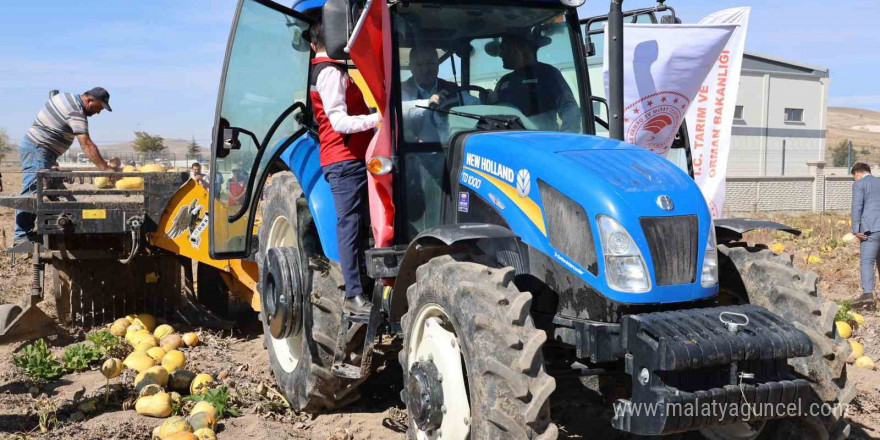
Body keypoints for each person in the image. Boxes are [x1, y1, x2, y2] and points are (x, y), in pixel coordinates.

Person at [309, 20, 380, 314]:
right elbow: (338, 121)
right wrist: (377, 119)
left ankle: (368, 285)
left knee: (363, 223)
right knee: (349, 224)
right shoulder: (330, 73)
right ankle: (353, 293)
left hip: (351, 158)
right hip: (344, 159)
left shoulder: (332, 71)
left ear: (314, 45)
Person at [15, 87, 113, 244]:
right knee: (32, 190)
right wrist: (106, 169)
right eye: (99, 107)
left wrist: (51, 157)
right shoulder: (76, 111)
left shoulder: (67, 97)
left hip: (42, 151)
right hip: (38, 149)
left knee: (55, 191)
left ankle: (53, 229)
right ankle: (21, 236)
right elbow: (86, 144)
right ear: (89, 100)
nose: (98, 112)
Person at [491, 33, 580, 133]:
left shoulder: (548, 73)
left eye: (503, 48)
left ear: (516, 47)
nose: (500, 54)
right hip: (509, 142)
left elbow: (569, 106)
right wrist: (489, 101)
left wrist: (567, 136)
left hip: (542, 141)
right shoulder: (504, 81)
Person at [401, 46, 479, 143]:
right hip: (414, 153)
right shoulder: (401, 90)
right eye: (419, 64)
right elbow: (400, 110)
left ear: (438, 64)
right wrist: (428, 103)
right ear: (411, 67)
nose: (425, 70)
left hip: (449, 150)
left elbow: (472, 103)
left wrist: (486, 100)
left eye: (430, 63)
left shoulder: (451, 88)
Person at [851, 162, 880, 310]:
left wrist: (856, 229)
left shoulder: (859, 184)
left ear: (857, 173)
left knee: (867, 261)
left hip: (871, 229)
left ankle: (868, 296)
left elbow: (857, 207)